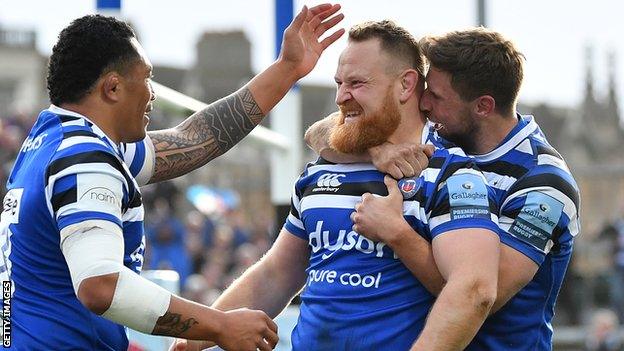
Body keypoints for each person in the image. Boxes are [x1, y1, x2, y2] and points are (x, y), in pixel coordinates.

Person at [0, 5, 344, 350]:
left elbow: (195, 139)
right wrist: (219, 325)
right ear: (113, 88)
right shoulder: (84, 157)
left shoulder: (51, 139)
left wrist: (286, 69)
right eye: (146, 78)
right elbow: (101, 286)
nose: (152, 94)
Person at [177, 20, 501, 351]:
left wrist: (399, 235)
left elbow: (473, 291)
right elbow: (274, 275)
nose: (341, 97)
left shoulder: (453, 176)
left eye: (357, 83)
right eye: (339, 83)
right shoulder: (320, 171)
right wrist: (197, 336)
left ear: (406, 85)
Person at [306, 27, 581, 350]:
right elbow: (317, 134)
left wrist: (398, 234)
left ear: (482, 106)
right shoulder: (441, 137)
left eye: (435, 96)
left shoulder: (544, 184)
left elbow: (482, 296)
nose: (422, 103)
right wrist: (376, 149)